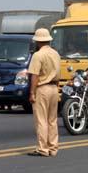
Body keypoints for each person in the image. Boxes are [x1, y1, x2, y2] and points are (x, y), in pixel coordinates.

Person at [27, 28, 61, 157]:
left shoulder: (38, 55)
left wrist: (32, 93)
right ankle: (53, 148)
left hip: (42, 88)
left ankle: (43, 149)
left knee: (41, 120)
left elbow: (34, 76)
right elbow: (58, 74)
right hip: (54, 88)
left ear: (37, 41)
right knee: (52, 120)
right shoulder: (55, 54)